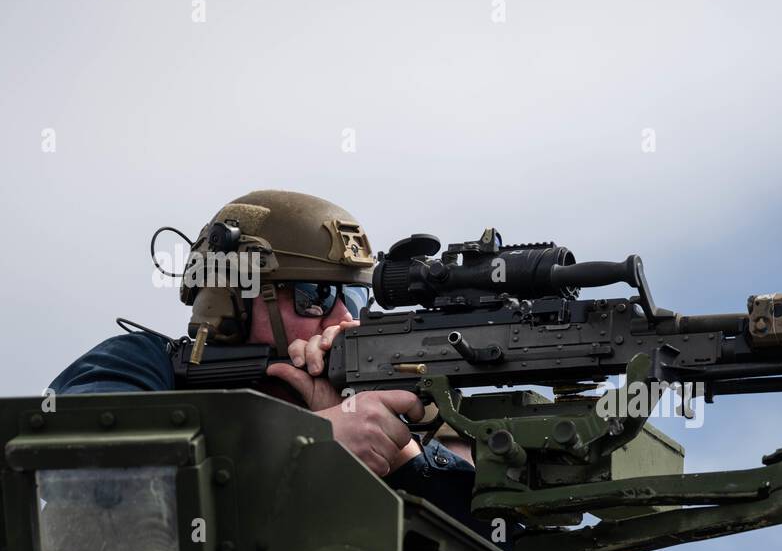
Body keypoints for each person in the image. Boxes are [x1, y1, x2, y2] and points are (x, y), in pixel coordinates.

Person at [49, 189, 483, 531]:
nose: (344, 318)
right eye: (316, 296)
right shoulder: (145, 366)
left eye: (354, 298)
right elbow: (78, 471)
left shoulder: (356, 406)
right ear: (231, 301)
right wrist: (305, 445)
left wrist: (405, 454)